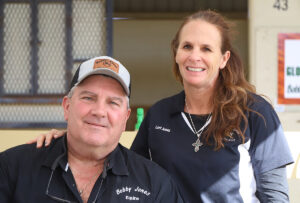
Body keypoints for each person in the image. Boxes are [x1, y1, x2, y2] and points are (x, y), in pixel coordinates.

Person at [29, 10, 294, 203]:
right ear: (176, 53)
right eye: (187, 46)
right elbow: (125, 168)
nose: (195, 56)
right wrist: (73, 141)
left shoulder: (254, 113)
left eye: (207, 49)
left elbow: (275, 196)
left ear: (224, 58)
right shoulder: (159, 114)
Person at [0, 56, 184, 203]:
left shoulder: (155, 183)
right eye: (88, 98)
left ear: (125, 118)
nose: (99, 112)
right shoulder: (12, 168)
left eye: (113, 102)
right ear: (67, 107)